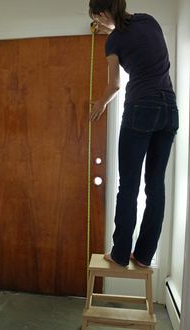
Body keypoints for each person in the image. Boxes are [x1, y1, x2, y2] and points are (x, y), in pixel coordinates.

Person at [89, 0, 179, 267]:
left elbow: (115, 84)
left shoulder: (114, 41)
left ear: (103, 12)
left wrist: (99, 103)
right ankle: (143, 256)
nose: (98, 24)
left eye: (97, 18)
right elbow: (157, 59)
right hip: (169, 109)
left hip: (141, 108)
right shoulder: (149, 20)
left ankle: (119, 254)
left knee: (128, 185)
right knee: (155, 185)